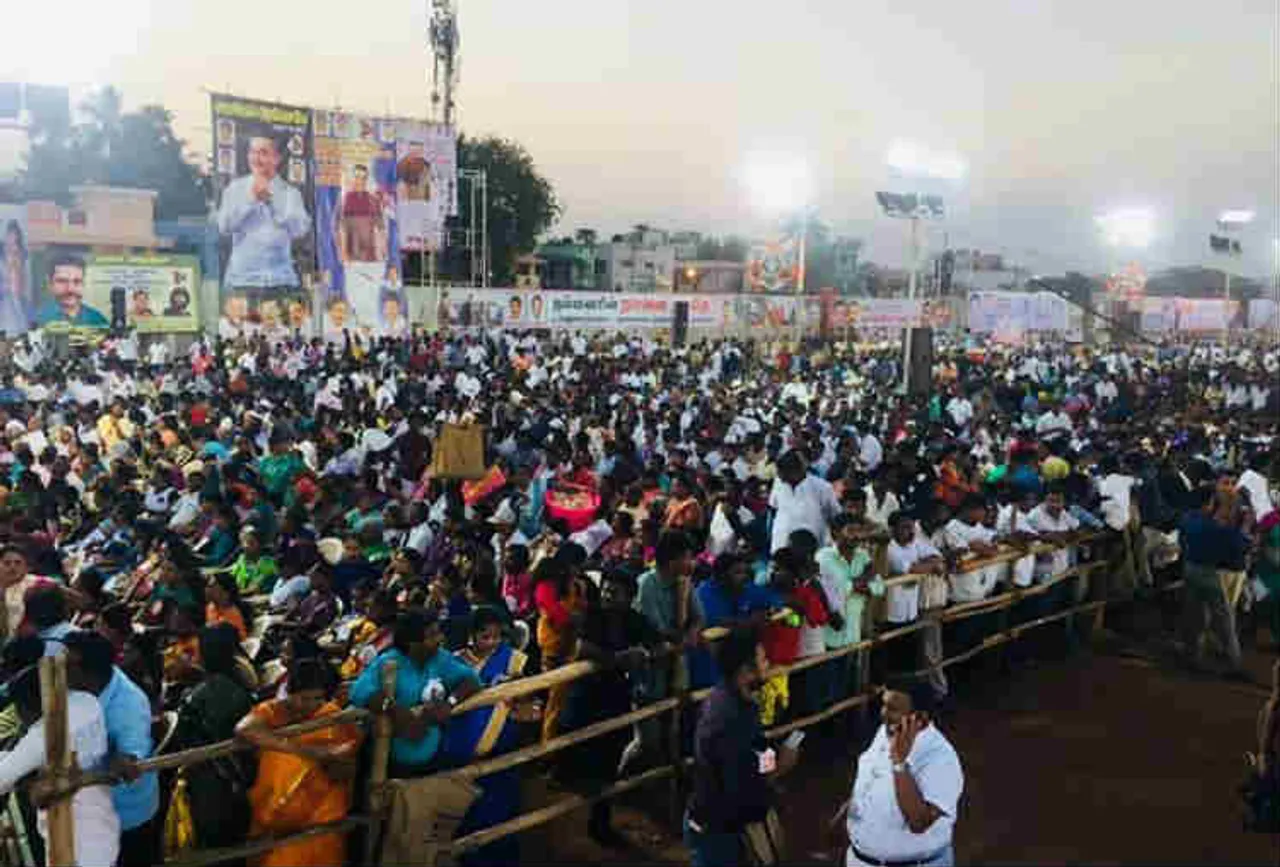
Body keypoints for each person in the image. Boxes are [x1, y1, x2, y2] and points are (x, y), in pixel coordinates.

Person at [685, 627, 798, 866]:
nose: (767, 665)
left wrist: (771, 763)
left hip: (724, 824)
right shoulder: (728, 719)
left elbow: (758, 747)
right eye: (763, 660)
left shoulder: (740, 702)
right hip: (718, 833)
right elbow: (741, 787)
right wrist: (780, 769)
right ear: (747, 670)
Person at [236, 657, 363, 867]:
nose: (311, 705)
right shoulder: (272, 711)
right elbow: (244, 730)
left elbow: (347, 758)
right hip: (277, 823)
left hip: (322, 821)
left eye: (318, 698)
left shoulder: (331, 715)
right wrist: (304, 752)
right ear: (290, 693)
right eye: (304, 699)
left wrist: (331, 759)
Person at [0, 663, 120, 867]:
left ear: (28, 707)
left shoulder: (41, 737)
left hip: (70, 837)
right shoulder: (86, 702)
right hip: (102, 820)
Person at [443, 606, 532, 865]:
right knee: (467, 809)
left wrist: (516, 692)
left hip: (502, 742)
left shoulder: (514, 660)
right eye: (485, 636)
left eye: (497, 636)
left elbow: (526, 696)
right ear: (471, 635)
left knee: (501, 808)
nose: (492, 643)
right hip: (463, 744)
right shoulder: (455, 661)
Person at [63, 631, 160, 867]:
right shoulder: (91, 685)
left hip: (125, 814)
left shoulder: (127, 708)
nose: (59, 667)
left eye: (66, 664)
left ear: (84, 673)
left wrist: (121, 760)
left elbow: (130, 761)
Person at [842, 682, 964, 867]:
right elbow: (869, 783)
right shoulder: (885, 733)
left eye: (893, 709)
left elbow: (919, 822)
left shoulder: (940, 758)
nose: (883, 714)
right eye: (883, 705)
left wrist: (899, 763)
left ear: (920, 718)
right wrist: (841, 821)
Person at [348, 607, 480, 777]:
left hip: (432, 759)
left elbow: (471, 680)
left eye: (438, 633)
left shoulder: (440, 658)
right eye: (432, 635)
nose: (440, 639)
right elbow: (359, 690)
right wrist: (394, 710)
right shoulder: (389, 661)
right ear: (413, 643)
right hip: (390, 764)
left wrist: (450, 702)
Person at [216, 135, 311, 294]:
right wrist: (251, 200)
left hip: (280, 281)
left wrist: (271, 202)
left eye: (263, 153)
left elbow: (299, 231)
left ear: (277, 158)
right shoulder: (235, 189)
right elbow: (224, 227)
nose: (256, 158)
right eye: (252, 152)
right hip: (242, 280)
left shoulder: (291, 193)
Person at [37, 254, 109, 328]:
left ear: (83, 283)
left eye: (77, 281)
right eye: (62, 281)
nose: (70, 289)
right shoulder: (37, 321)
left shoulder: (97, 320)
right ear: (49, 283)